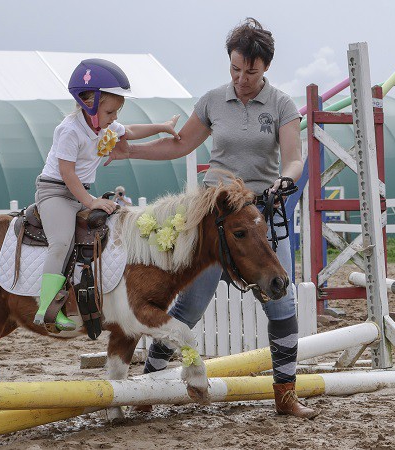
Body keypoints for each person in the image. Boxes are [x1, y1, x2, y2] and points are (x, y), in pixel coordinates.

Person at [105, 18, 317, 418]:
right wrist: (130, 152)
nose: (241, 78)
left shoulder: (282, 105)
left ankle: (286, 395)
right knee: (188, 308)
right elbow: (180, 143)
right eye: (235, 69)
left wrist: (285, 182)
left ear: (265, 68)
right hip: (211, 219)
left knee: (280, 302)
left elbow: (292, 158)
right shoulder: (212, 101)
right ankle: (149, 390)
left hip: (259, 215)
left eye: (250, 72)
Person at [34, 58, 179, 331]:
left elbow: (131, 131)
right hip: (56, 191)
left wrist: (162, 126)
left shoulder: (103, 127)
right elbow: (67, 173)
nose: (115, 118)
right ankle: (47, 307)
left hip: (77, 193)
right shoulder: (69, 131)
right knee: (61, 242)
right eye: (111, 112)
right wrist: (90, 202)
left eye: (116, 113)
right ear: (90, 104)